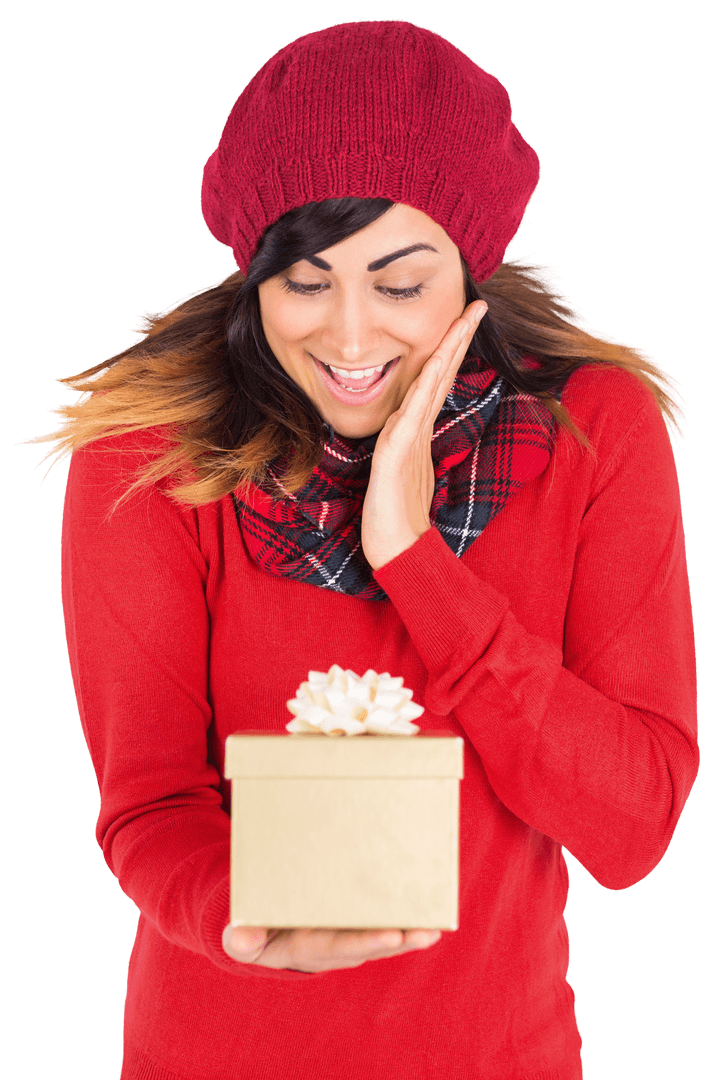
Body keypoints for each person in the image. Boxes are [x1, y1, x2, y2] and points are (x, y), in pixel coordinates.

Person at [26, 18, 698, 1080]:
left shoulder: (590, 427)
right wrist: (240, 919)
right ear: (253, 271)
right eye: (303, 280)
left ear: (470, 269)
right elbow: (149, 804)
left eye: (398, 285)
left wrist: (413, 559)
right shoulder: (145, 452)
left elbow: (629, 828)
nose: (346, 340)